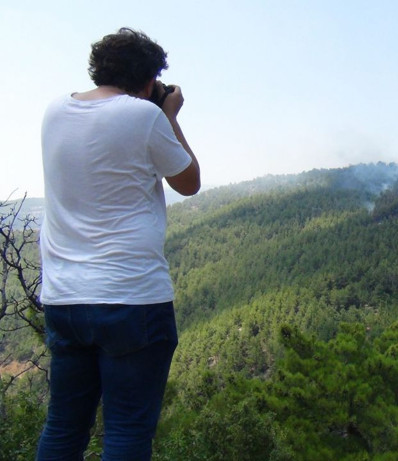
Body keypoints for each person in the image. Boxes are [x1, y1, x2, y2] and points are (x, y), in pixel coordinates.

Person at [36, 27, 200, 460]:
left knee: (63, 426)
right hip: (131, 300)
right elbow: (189, 182)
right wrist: (168, 114)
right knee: (126, 430)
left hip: (64, 299)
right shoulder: (144, 117)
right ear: (149, 80)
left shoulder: (55, 111)